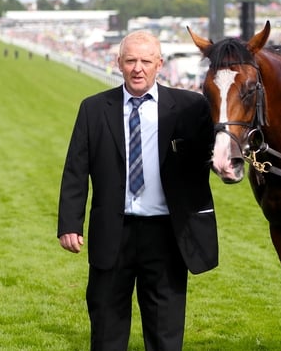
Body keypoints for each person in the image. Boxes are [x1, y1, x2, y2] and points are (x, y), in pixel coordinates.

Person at [57, 30, 218, 350]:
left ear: (160, 64)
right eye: (130, 61)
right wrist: (70, 224)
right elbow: (76, 169)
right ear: (118, 64)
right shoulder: (93, 108)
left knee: (165, 332)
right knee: (106, 330)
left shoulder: (190, 107)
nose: (138, 68)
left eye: (146, 61)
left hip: (168, 235)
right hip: (113, 233)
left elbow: (216, 153)